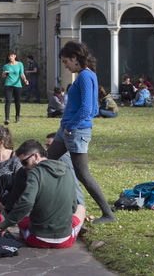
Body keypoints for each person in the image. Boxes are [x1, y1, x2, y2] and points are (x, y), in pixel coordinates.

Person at [46, 40, 116, 224]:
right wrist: (66, 126)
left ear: (74, 57)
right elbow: (93, 108)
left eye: (65, 61)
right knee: (45, 162)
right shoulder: (87, 75)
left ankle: (108, 214)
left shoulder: (85, 76)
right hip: (66, 129)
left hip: (75, 131)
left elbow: (87, 108)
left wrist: (71, 126)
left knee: (82, 174)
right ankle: (48, 203)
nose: (65, 66)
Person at [0, 139, 86, 249]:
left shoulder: (34, 173)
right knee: (81, 207)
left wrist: (5, 224)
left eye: (24, 162)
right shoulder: (67, 170)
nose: (23, 167)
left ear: (36, 156)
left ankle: (23, 235)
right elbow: (74, 205)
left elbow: (26, 203)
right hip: (65, 240)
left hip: (37, 239)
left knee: (23, 214)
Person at [2, 50, 28, 124]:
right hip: (8, 84)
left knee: (17, 101)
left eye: (12, 56)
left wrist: (25, 80)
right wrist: (4, 74)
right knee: (8, 101)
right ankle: (7, 119)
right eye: (9, 56)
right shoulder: (6, 66)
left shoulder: (20, 64)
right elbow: (3, 76)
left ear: (15, 56)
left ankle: (17, 117)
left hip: (17, 85)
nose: (10, 57)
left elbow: (22, 74)